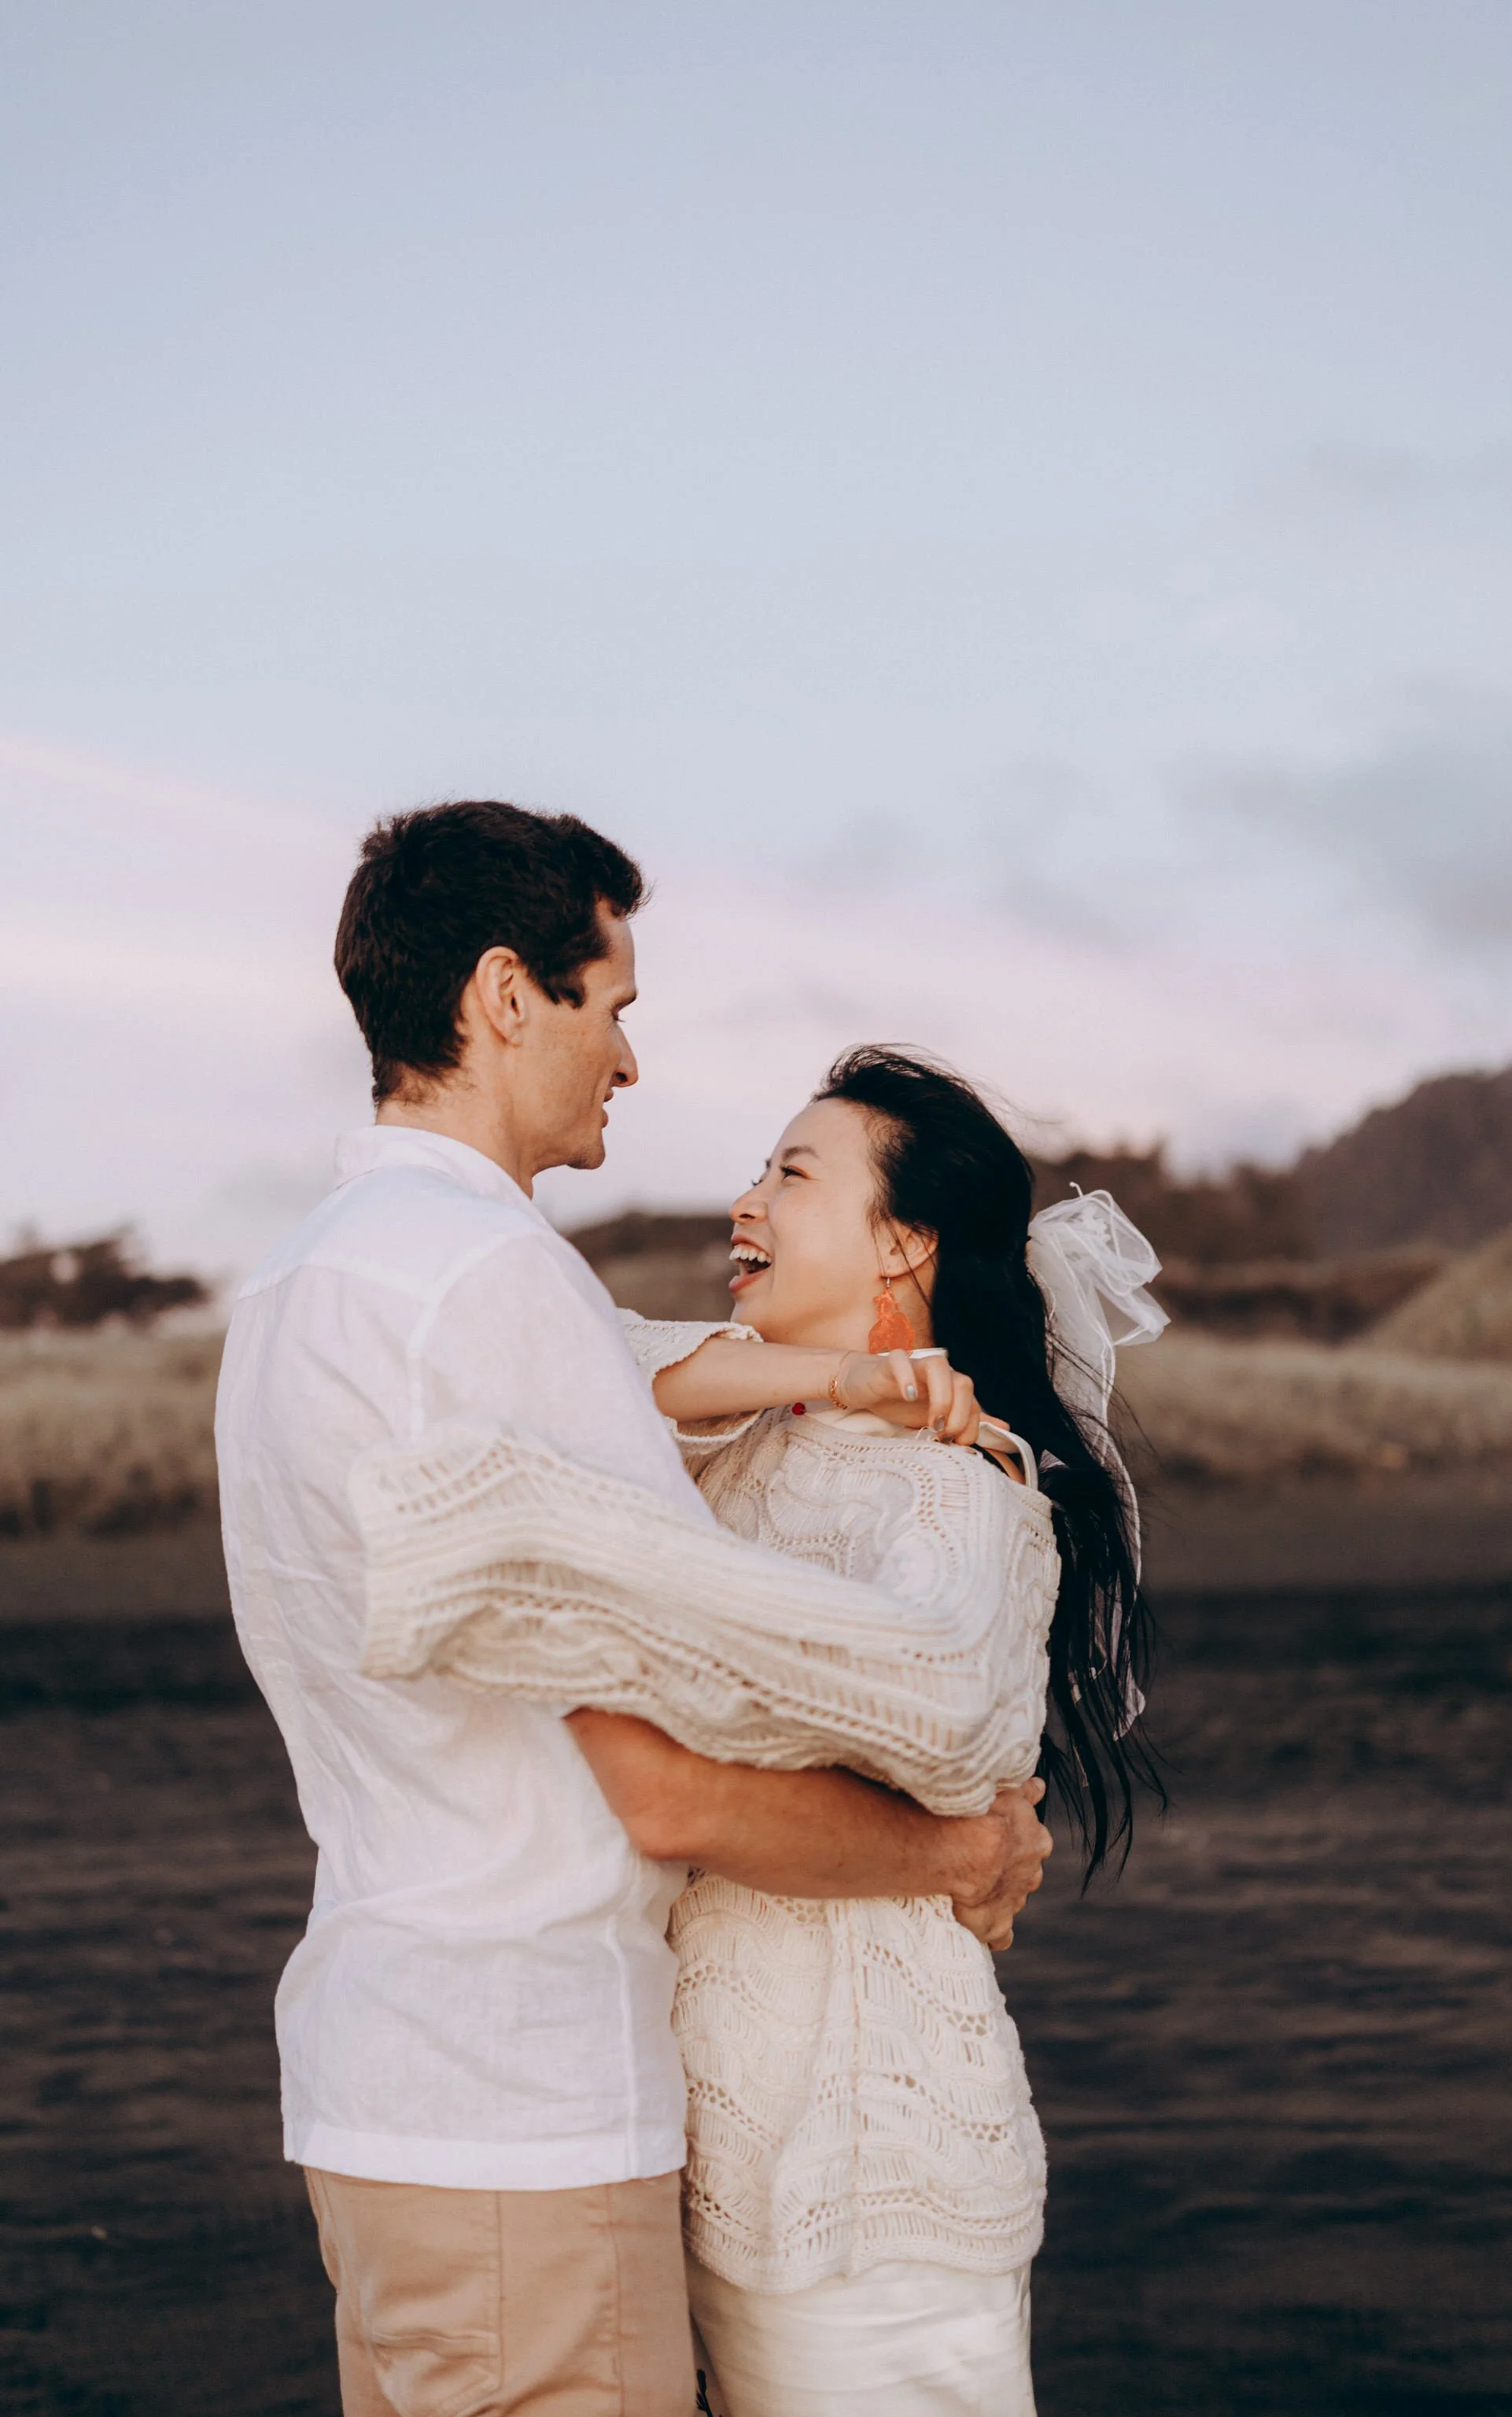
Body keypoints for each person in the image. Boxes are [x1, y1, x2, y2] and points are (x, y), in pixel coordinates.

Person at [215, 801, 1051, 2417]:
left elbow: (649, 1379)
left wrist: (842, 1381)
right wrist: (959, 1851)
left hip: (377, 2080)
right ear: (502, 996)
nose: (630, 1058)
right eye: (610, 1004)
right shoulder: (495, 1283)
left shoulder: (299, 1283)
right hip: (526, 2095)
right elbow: (664, 1779)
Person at [628, 1049, 1167, 2416]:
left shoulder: (964, 1488)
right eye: (759, 1171)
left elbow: (934, 1715)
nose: (746, 1203)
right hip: (701, 2167)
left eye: (793, 1175)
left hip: (873, 2185)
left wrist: (631, 1644)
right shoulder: (742, 1440)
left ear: (905, 1240)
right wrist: (830, 1377)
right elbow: (582, 1366)